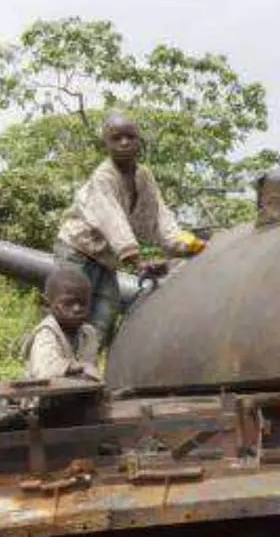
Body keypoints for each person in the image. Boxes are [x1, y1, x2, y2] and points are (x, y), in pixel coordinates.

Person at [54, 112, 206, 365]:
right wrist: (137, 262)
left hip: (106, 259)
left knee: (104, 314)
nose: (124, 143)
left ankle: (84, 369)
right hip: (78, 251)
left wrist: (190, 245)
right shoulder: (104, 176)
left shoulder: (144, 177)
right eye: (116, 138)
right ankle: (54, 372)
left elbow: (159, 216)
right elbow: (113, 222)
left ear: (139, 141)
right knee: (70, 313)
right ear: (107, 144)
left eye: (130, 137)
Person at [21, 266, 101, 381]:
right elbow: (45, 371)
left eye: (83, 303)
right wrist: (79, 367)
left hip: (77, 394)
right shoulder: (46, 332)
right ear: (48, 304)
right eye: (68, 303)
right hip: (45, 396)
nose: (77, 308)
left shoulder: (88, 334)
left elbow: (91, 373)